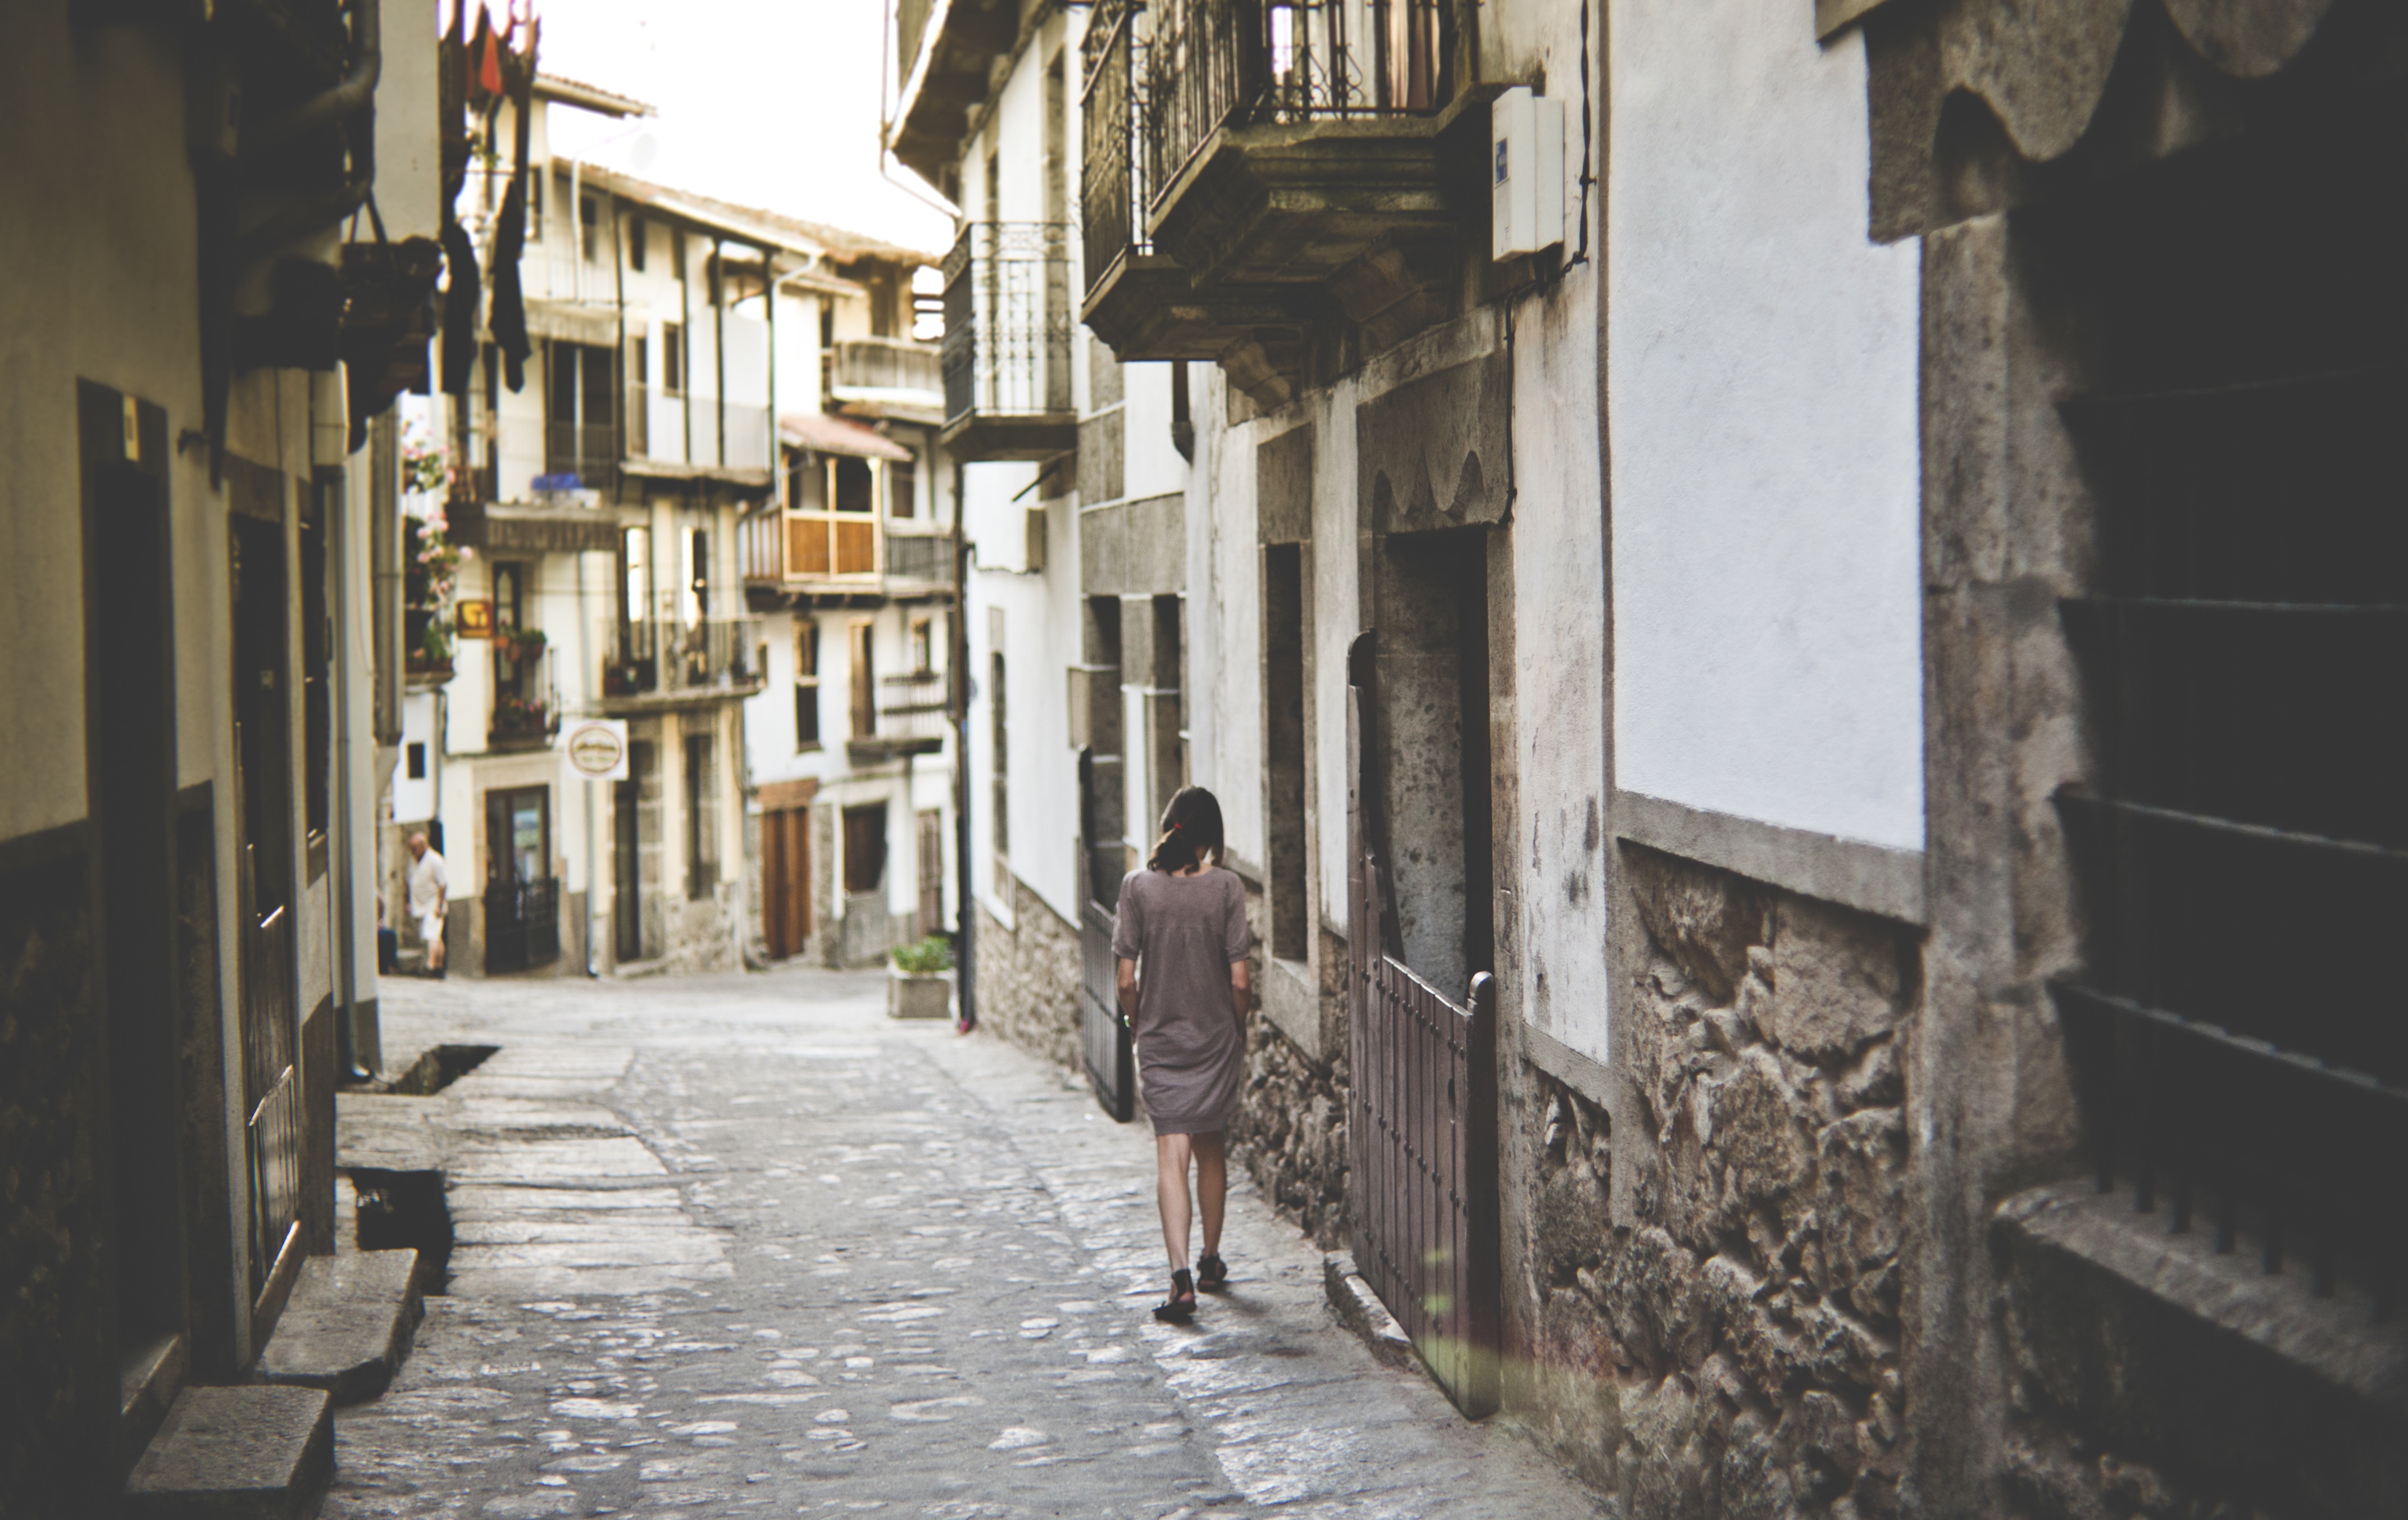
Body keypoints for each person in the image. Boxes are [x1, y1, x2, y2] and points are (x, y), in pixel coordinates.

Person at [1113, 786, 1251, 1324]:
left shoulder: (1136, 888)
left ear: (1169, 826)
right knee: (1211, 1147)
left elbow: (1127, 980)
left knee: (1171, 1156)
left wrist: (1136, 1023)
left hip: (1161, 1041)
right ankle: (1211, 1260)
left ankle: (1180, 1281)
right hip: (1214, 1037)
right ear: (1211, 838)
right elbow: (1240, 980)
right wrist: (1234, 1028)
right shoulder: (1227, 888)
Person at [406, 831, 449, 977]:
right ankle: (439, 966)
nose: (412, 851)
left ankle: (430, 966)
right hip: (419, 904)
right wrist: (408, 902)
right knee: (435, 937)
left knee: (430, 935)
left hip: (433, 903)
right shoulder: (413, 860)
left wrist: (440, 905)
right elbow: (410, 882)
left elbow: (443, 885)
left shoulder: (435, 860)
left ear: (423, 846)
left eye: (415, 848)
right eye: (411, 848)